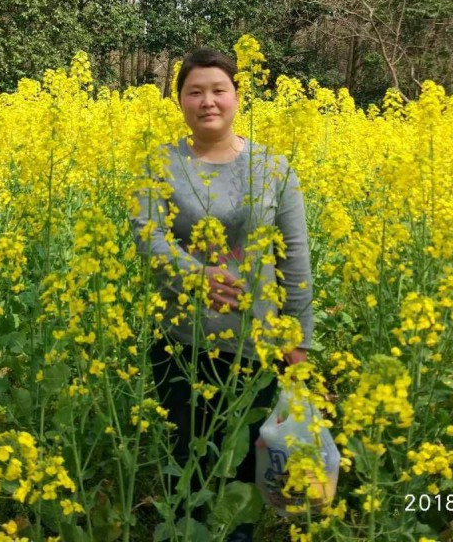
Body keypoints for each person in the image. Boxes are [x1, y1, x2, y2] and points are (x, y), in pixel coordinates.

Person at [129, 47, 313, 542]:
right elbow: (147, 235)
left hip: (257, 343)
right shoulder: (161, 163)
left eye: (218, 90)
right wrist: (195, 275)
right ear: (180, 100)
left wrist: (298, 339)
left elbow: (295, 256)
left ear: (236, 96)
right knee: (185, 458)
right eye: (195, 91)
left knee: (244, 465)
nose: (207, 101)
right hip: (180, 341)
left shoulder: (272, 167)